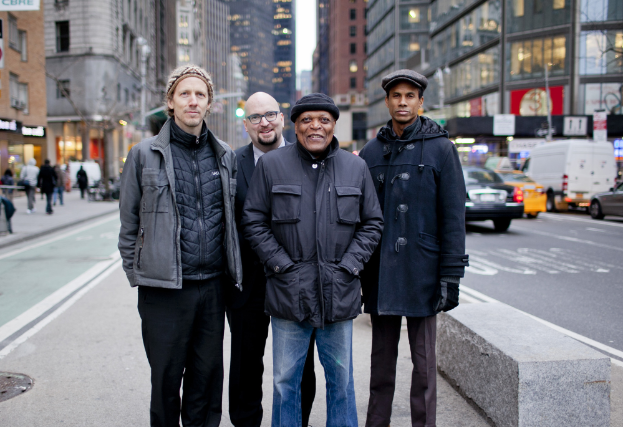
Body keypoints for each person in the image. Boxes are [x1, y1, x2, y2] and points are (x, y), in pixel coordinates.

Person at [242, 93, 384, 427]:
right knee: (285, 383)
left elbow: (373, 223)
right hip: (288, 293)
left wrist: (350, 266)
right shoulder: (272, 166)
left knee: (341, 381)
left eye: (324, 120)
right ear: (295, 126)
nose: (315, 126)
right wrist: (280, 265)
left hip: (339, 292)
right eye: (306, 120)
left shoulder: (355, 167)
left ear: (334, 125)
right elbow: (254, 220)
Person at [118, 65, 242, 427]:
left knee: (206, 381)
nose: (193, 101)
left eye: (200, 95)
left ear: (209, 104)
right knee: (166, 381)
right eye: (184, 93)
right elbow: (128, 223)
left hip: (212, 287)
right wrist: (138, 273)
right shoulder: (144, 154)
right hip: (164, 291)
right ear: (170, 102)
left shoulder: (224, 155)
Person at [358, 70, 469, 427]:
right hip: (381, 273)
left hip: (423, 272)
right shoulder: (371, 152)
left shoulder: (442, 149)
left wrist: (451, 276)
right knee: (380, 365)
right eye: (396, 96)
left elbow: (453, 216)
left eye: (410, 96)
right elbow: (361, 217)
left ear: (421, 102)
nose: (402, 102)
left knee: (423, 367)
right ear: (387, 102)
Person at [228, 92, 316, 427]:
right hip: (246, 286)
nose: (263, 123)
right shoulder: (231, 163)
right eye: (254, 117)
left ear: (281, 119)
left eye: (269, 115)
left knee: (298, 366)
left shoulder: (306, 158)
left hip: (295, 282)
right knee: (245, 365)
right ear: (246, 125)